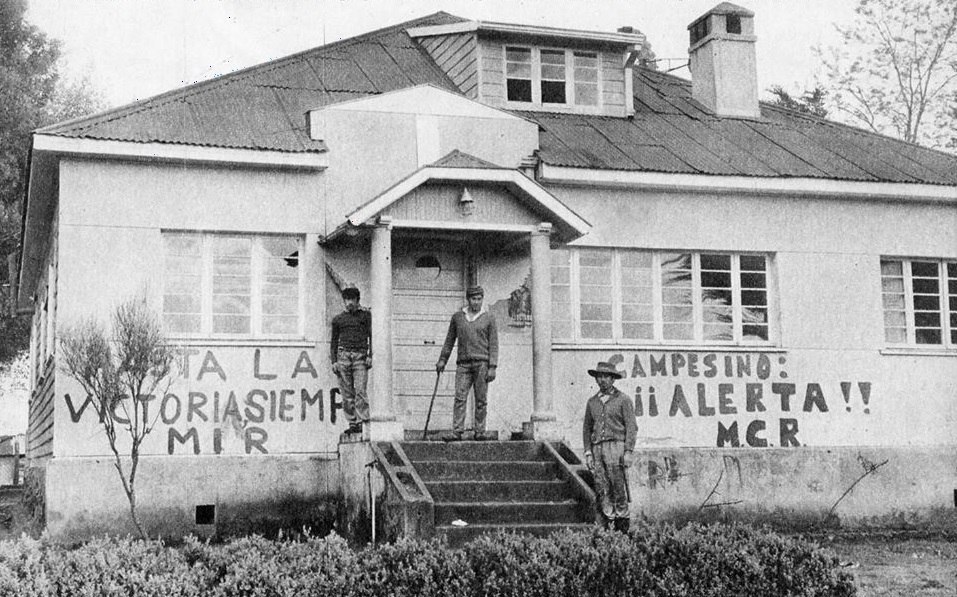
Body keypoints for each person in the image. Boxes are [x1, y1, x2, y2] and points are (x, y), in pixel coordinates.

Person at [435, 285, 499, 441]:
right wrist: (442, 359)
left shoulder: (489, 318)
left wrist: (492, 366)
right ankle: (457, 431)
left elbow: (494, 344)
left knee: (481, 399)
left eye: (479, 299)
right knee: (460, 397)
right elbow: (449, 340)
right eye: (473, 299)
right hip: (463, 364)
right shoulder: (458, 317)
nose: (476, 302)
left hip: (482, 364)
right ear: (468, 299)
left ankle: (480, 431)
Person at [582, 361, 637, 532]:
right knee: (602, 487)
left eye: (606, 376)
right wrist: (588, 453)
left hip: (616, 447)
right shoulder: (592, 402)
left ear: (613, 379)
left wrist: (628, 451)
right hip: (597, 448)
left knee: (618, 485)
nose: (602, 380)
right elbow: (586, 429)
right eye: (599, 376)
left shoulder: (623, 400)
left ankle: (622, 528)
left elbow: (631, 427)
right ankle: (608, 524)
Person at [330, 285, 371, 435]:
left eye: (352, 299)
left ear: (357, 300)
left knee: (360, 391)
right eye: (347, 300)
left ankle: (362, 422)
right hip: (343, 357)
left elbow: (372, 336)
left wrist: (370, 355)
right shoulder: (338, 319)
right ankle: (352, 423)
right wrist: (334, 361)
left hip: (360, 357)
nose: (349, 303)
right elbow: (334, 342)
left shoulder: (365, 317)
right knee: (347, 393)